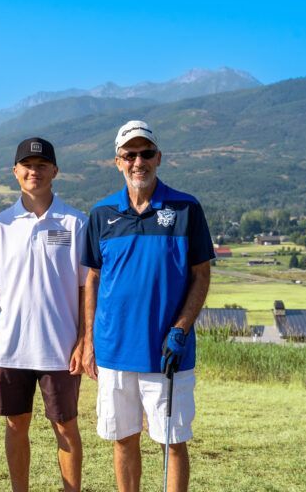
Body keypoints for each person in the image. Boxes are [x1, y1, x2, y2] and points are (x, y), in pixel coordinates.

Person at [80, 120, 214, 492]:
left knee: (171, 442)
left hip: (167, 352)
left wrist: (180, 330)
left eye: (146, 153)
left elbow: (201, 275)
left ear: (159, 157)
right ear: (117, 161)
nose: (139, 161)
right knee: (123, 439)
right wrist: (89, 339)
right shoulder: (101, 214)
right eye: (130, 154)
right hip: (114, 351)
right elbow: (93, 278)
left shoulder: (186, 209)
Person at [0, 137, 88, 492]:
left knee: (66, 427)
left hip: (60, 347)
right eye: (27, 165)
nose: (33, 171)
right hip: (10, 347)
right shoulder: (0, 225)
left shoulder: (76, 223)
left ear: (55, 171)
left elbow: (87, 288)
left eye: (41, 165)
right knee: (15, 425)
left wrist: (85, 340)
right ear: (15, 172)